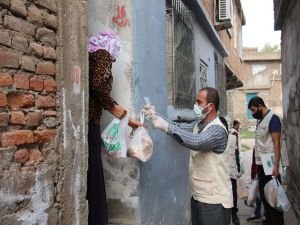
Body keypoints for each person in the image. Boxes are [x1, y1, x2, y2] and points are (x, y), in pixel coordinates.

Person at [143, 87, 232, 225]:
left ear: (211, 106)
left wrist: (165, 126)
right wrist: (156, 116)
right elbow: (178, 128)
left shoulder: (217, 130)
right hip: (198, 196)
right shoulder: (198, 125)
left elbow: (196, 142)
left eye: (199, 102)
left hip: (215, 201)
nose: (195, 106)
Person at [87, 30, 142, 225]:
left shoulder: (93, 56)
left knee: (92, 173)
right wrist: (112, 107)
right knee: (93, 173)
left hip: (90, 119)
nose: (115, 58)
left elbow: (97, 87)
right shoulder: (103, 55)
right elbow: (97, 84)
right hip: (90, 121)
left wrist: (123, 115)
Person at [248, 96, 284, 225]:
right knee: (264, 197)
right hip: (261, 165)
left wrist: (276, 165)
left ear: (260, 106)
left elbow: (276, 143)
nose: (253, 113)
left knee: (273, 200)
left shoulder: (273, 119)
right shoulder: (261, 120)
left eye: (253, 110)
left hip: (270, 166)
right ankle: (268, 221)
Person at [225, 119, 242, 225]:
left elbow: (236, 152)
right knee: (227, 192)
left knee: (234, 192)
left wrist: (238, 166)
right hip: (222, 171)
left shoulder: (232, 137)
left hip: (232, 169)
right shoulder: (217, 138)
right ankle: (228, 211)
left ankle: (234, 212)